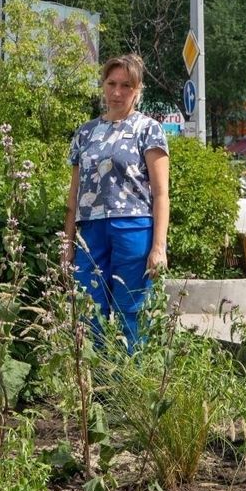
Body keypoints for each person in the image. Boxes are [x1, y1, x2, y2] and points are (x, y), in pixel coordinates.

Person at [63, 54, 170, 350]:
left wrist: (158, 247)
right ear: (103, 85)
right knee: (88, 310)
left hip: (133, 229)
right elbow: (74, 194)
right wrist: (67, 244)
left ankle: (130, 376)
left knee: (131, 312)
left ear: (138, 90)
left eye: (126, 85)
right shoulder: (85, 133)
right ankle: (92, 376)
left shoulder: (148, 129)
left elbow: (161, 193)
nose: (117, 92)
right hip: (90, 233)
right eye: (112, 84)